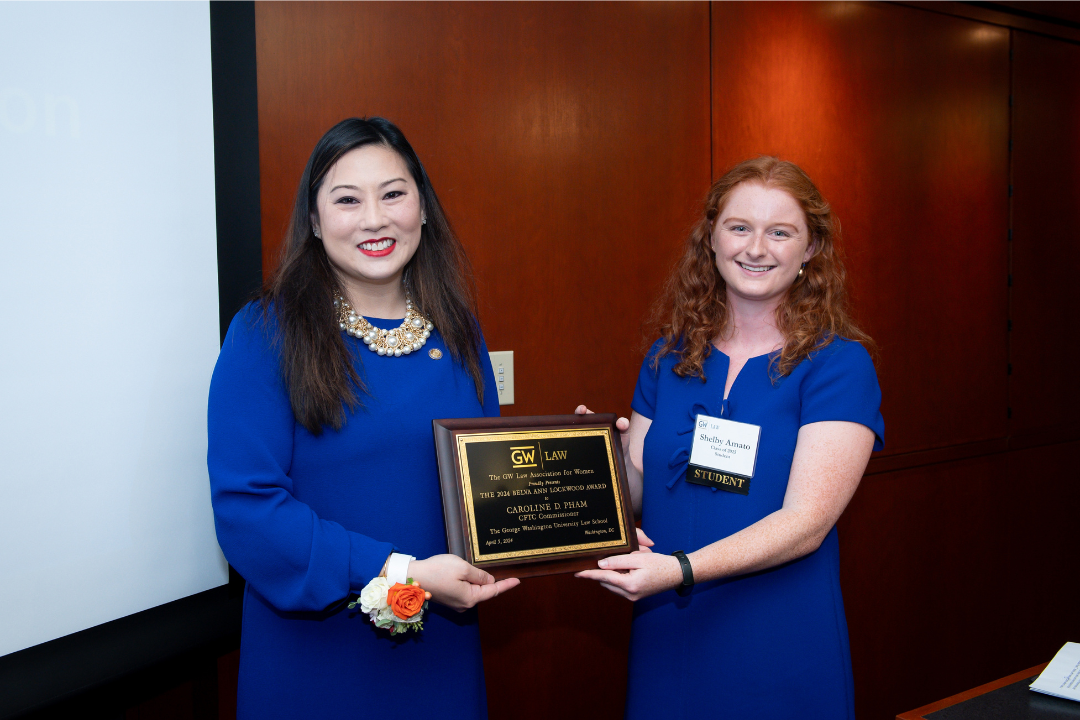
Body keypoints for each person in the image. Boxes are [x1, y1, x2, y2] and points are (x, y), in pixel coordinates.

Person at [207, 117, 518, 719]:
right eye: (347, 200)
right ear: (316, 222)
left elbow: (485, 488)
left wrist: (585, 471)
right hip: (315, 655)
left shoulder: (459, 331)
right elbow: (247, 510)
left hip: (442, 652)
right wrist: (404, 571)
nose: (374, 218)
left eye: (393, 194)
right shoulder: (266, 334)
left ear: (423, 209)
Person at [576, 157, 883, 719]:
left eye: (780, 231)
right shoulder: (669, 356)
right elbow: (641, 493)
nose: (756, 248)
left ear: (811, 249)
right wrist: (598, 461)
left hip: (777, 635)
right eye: (739, 227)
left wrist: (680, 570)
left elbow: (805, 525)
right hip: (667, 625)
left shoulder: (839, 366)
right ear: (711, 237)